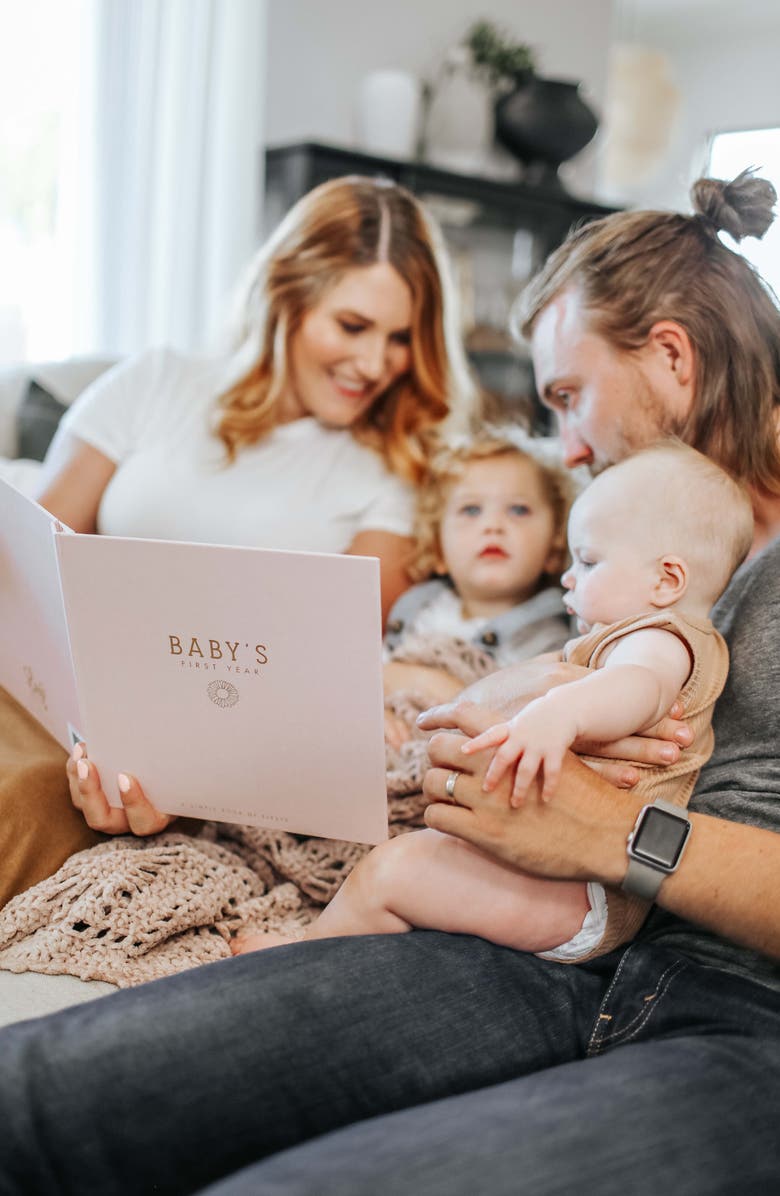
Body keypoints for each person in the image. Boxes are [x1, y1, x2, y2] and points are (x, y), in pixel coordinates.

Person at [1, 170, 779, 1196]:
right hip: (520, 942)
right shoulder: (633, 545)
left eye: (567, 396)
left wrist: (619, 834)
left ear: (671, 355)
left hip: (731, 1003)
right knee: (30, 1094)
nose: (568, 449)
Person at [0, 173, 481, 889]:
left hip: (201, 749)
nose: (374, 363)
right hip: (58, 697)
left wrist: (162, 753)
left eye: (401, 338)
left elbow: (322, 663)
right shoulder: (157, 381)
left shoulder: (398, 468)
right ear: (287, 295)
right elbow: (35, 560)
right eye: (352, 326)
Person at [234, 443, 751, 961]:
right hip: (560, 871)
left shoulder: (662, 639)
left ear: (666, 580)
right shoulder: (634, 637)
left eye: (589, 561)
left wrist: (557, 714)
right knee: (405, 867)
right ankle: (344, 946)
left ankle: (299, 957)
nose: (569, 577)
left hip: (581, 891)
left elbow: (640, 687)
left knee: (390, 872)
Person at [380, 428, 573, 747]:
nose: (493, 525)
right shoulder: (414, 611)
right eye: (471, 510)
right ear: (438, 549)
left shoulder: (552, 643)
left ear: (554, 547)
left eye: (518, 509)